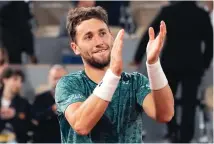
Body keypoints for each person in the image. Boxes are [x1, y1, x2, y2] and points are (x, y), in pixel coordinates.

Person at [55, 6, 174, 143]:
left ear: (111, 36)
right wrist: (113, 75)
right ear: (75, 48)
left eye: (102, 33)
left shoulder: (135, 82)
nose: (99, 42)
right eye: (88, 37)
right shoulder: (68, 84)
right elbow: (81, 125)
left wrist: (153, 64)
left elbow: (165, 114)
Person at [131, 1, 213, 143]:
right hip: (193, 65)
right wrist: (204, 64)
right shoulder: (202, 14)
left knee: (168, 100)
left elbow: (149, 33)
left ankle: (173, 130)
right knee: (190, 102)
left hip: (171, 63)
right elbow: (210, 43)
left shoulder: (168, 12)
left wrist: (138, 57)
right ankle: (186, 136)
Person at [32, 65, 67, 143]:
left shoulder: (75, 97)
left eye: (61, 78)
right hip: (45, 139)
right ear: (49, 79)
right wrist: (52, 109)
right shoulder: (40, 98)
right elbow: (35, 118)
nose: (58, 81)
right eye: (55, 78)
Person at [0, 67, 32, 143]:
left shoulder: (24, 103)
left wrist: (15, 115)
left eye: (21, 81)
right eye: (15, 79)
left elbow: (28, 128)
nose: (19, 84)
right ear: (5, 80)